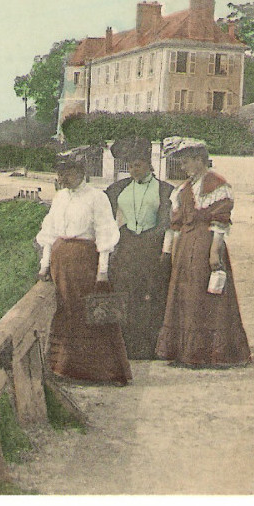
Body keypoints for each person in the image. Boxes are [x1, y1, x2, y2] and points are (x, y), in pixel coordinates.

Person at [156, 138, 251, 367]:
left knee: (206, 295)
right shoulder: (183, 190)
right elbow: (175, 225)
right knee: (186, 296)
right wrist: (168, 252)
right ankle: (186, 351)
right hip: (185, 246)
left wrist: (215, 253)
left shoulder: (218, 186)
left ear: (199, 160)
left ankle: (210, 352)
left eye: (187, 162)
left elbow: (220, 222)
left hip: (206, 246)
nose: (183, 167)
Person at [36, 157, 131, 384]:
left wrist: (103, 271)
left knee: (87, 313)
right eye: (59, 175)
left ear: (79, 173)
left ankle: (96, 372)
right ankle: (64, 368)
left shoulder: (96, 197)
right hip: (61, 262)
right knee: (64, 312)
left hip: (85, 263)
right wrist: (45, 265)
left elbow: (105, 233)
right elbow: (49, 234)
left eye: (66, 174)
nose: (62, 179)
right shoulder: (59, 197)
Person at [104, 137, 175, 359]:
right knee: (126, 294)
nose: (135, 170)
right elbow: (108, 220)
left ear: (149, 165)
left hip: (152, 246)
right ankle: (128, 345)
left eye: (139, 165)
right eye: (132, 166)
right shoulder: (118, 189)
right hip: (127, 247)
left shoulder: (165, 190)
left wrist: (165, 250)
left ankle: (151, 346)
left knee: (152, 295)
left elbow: (169, 224)